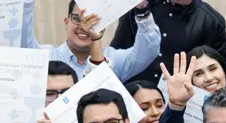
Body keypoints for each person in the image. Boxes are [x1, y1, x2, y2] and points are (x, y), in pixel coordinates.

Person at [22, 0, 160, 82]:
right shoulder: (46, 56)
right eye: (77, 19)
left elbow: (149, 50)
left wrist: (142, 10)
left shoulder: (113, 59)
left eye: (94, 22)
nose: (84, 27)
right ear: (66, 22)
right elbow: (22, 38)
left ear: (103, 28)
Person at [112, 0, 226, 85]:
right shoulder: (139, 7)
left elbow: (221, 73)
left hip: (180, 100)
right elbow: (116, 55)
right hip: (135, 96)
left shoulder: (212, 21)